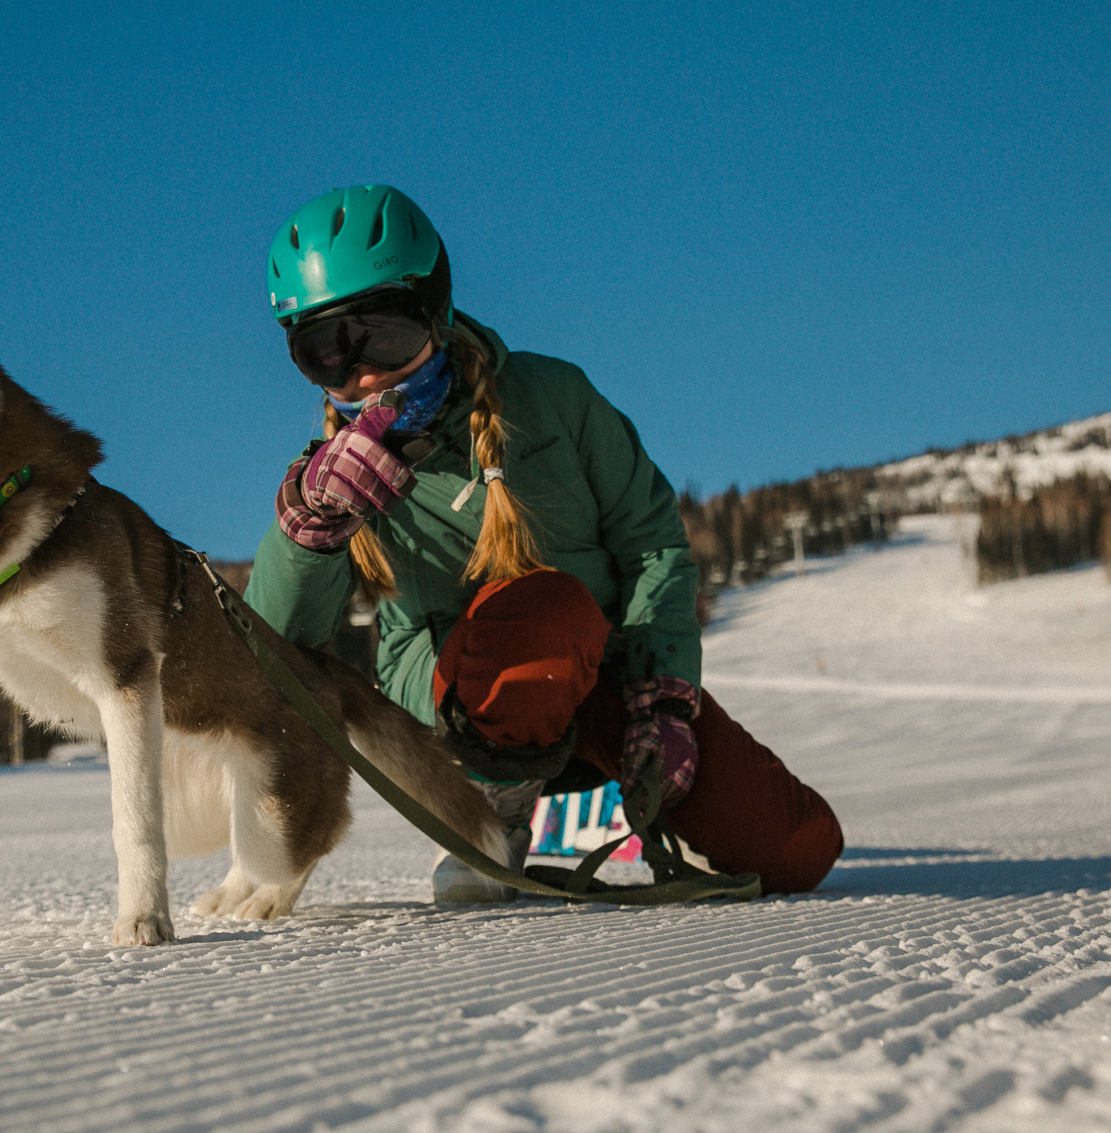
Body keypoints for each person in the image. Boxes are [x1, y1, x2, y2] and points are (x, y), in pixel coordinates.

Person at [244, 184, 843, 901]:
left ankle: (668, 814)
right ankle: (490, 817)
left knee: (798, 849)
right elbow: (274, 649)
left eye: (384, 334)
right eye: (326, 351)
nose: (363, 373)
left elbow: (651, 542)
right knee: (544, 613)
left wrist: (664, 698)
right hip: (458, 702)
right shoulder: (335, 478)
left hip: (603, 672)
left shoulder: (552, 397)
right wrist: (310, 527)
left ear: (436, 311)